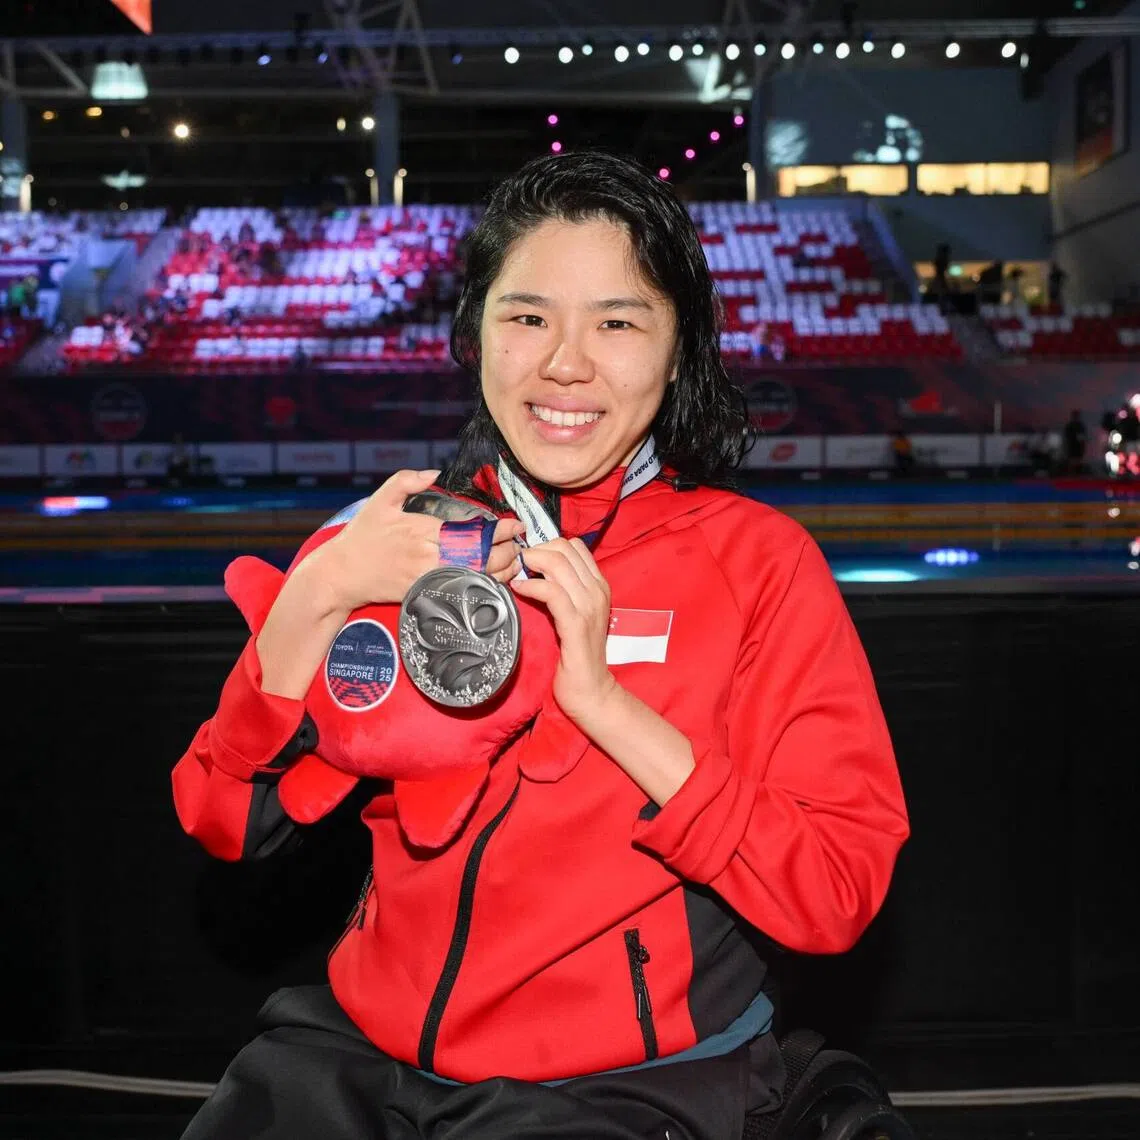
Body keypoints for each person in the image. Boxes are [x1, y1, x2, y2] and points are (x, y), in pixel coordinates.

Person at [173, 152, 909, 1140]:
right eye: (527, 317)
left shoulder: (758, 564)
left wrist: (609, 705)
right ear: (473, 335)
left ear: (680, 349)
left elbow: (835, 892)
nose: (566, 363)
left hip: (625, 1088)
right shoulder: (395, 537)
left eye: (617, 321)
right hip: (359, 1061)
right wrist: (315, 598)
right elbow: (225, 823)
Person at [1062, 410, 1088, 474]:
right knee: (1071, 460)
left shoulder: (1081, 426)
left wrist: (1082, 442)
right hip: (1071, 445)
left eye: (1077, 416)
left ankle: (1078, 472)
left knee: (1079, 459)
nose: (1076, 417)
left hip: (1079, 445)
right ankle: (1071, 473)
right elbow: (1066, 436)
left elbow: (1083, 436)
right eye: (1075, 416)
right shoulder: (1069, 425)